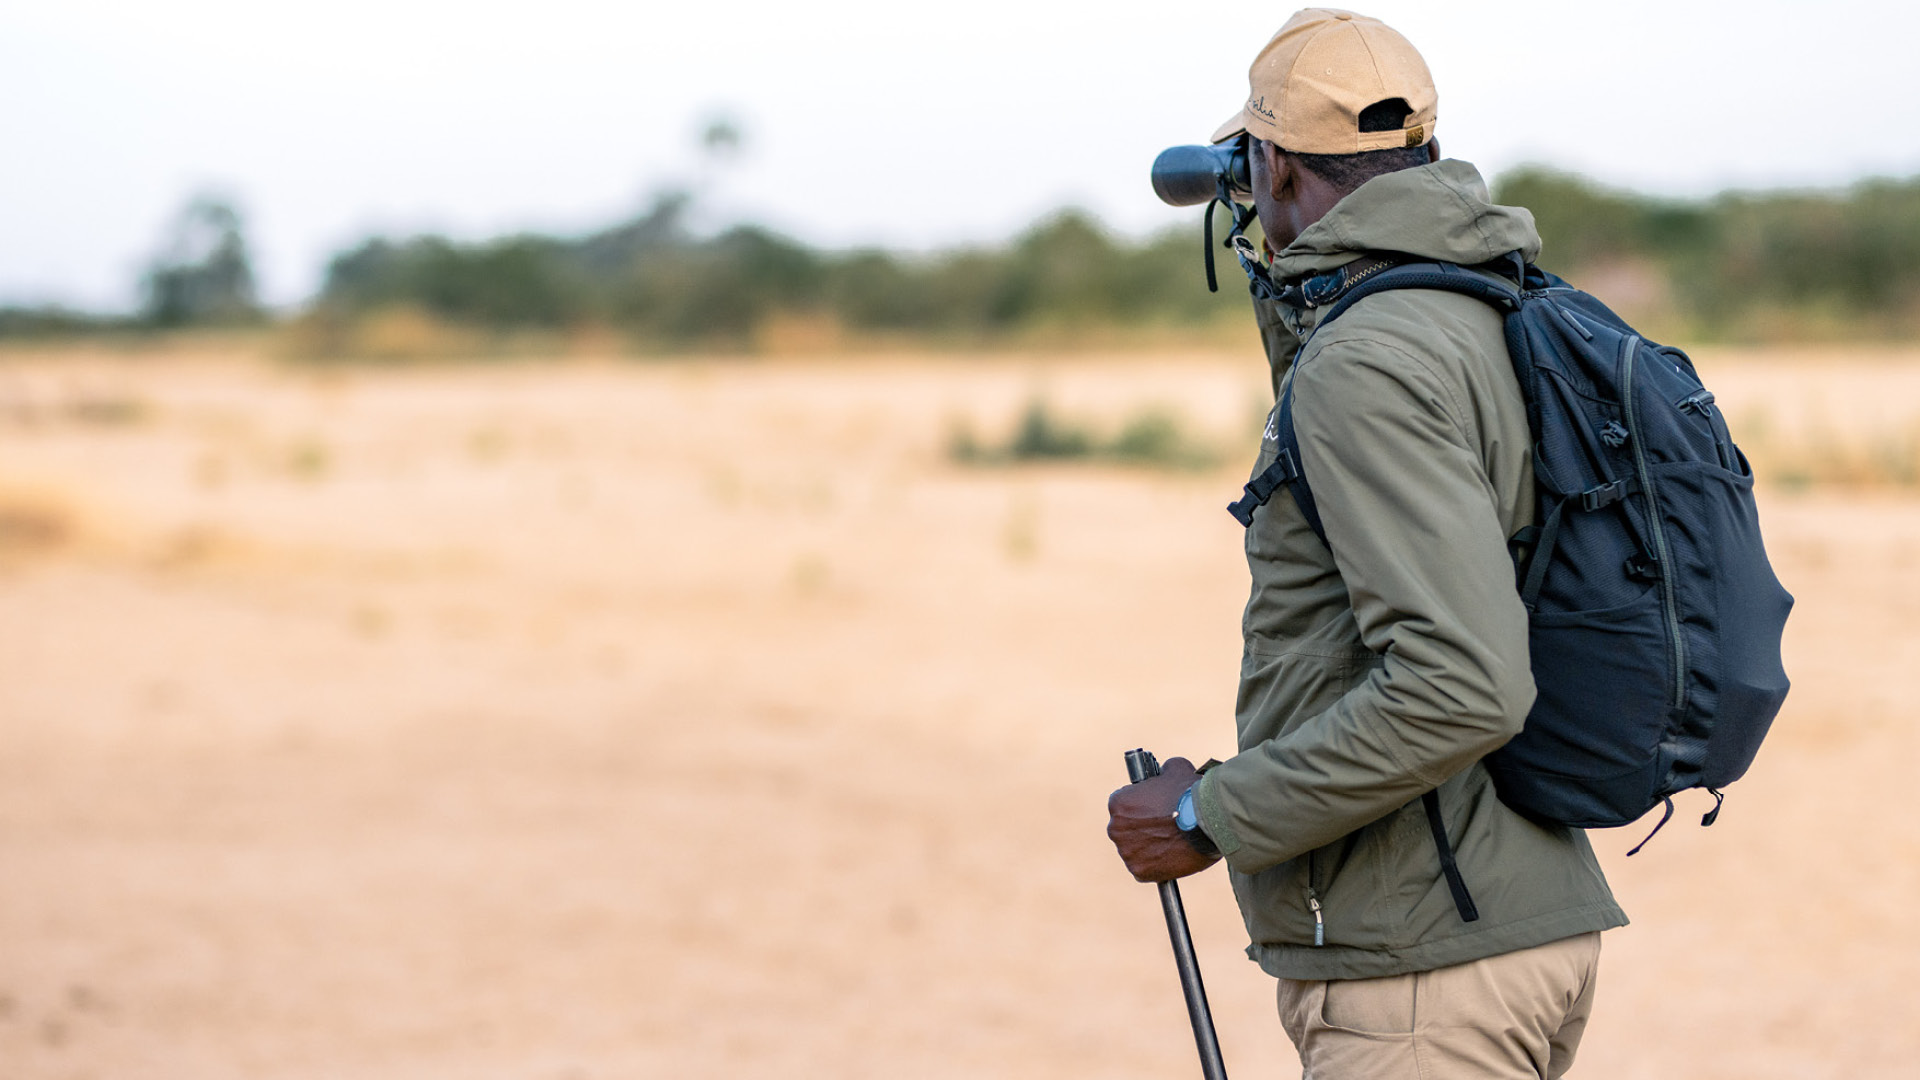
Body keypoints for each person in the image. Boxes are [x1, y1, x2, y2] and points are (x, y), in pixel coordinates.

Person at [1106, 9, 1628, 1078]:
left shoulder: (1370, 357)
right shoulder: (1491, 305)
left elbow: (1462, 686)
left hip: (1424, 973)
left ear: (1279, 166)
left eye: (1254, 165)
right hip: (1509, 916)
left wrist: (1210, 813)